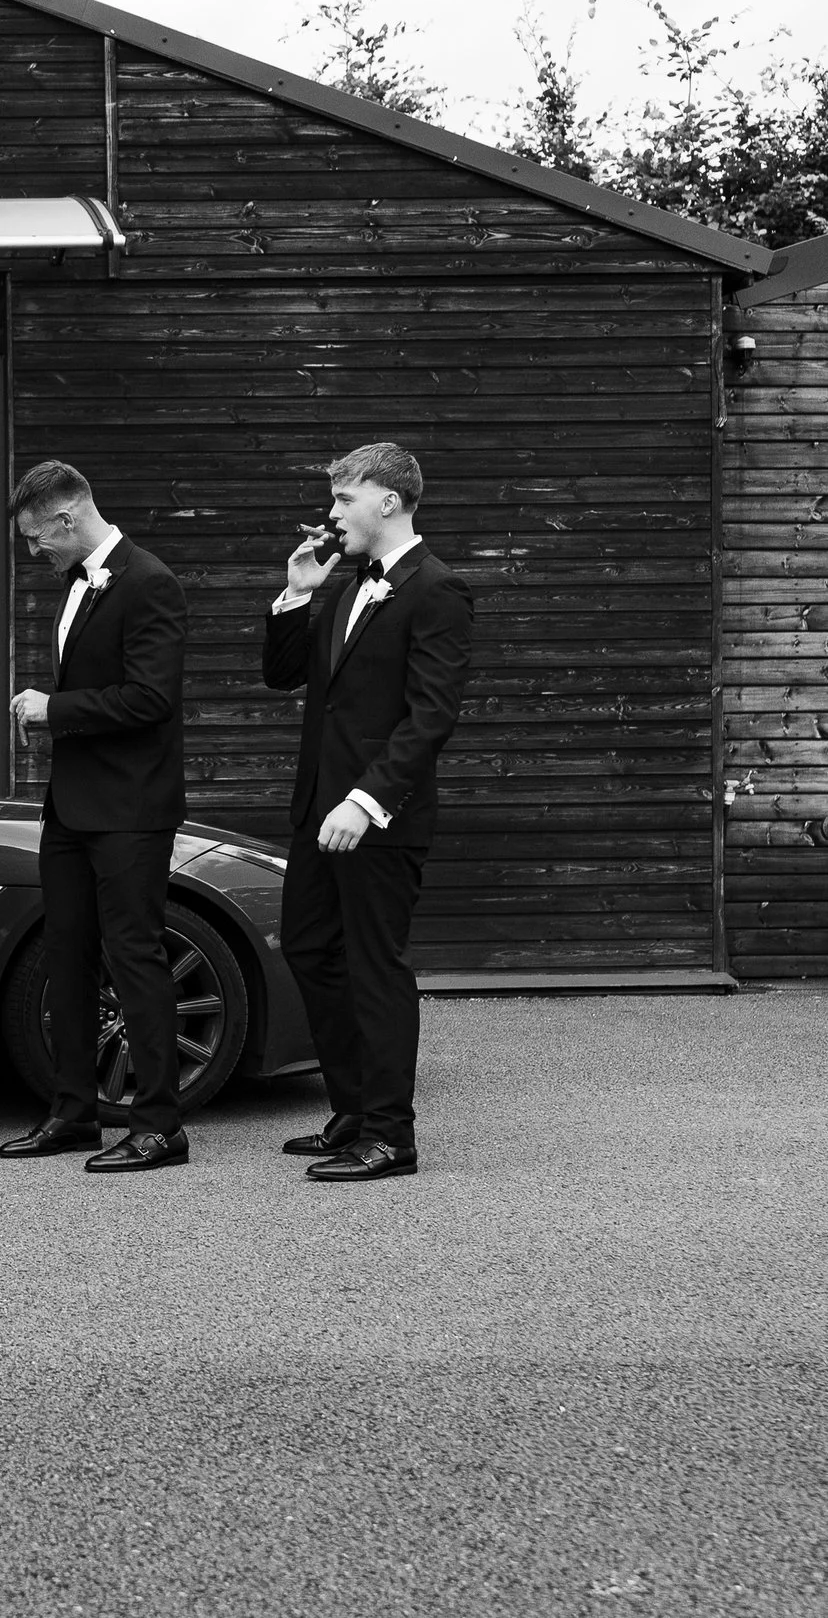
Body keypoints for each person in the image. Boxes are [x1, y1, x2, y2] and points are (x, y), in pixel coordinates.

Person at [263, 443, 475, 1182]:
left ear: (388, 501)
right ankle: (352, 1112)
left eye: (344, 498)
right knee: (309, 950)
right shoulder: (346, 587)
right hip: (317, 812)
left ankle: (390, 1137)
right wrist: (297, 595)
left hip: (378, 818)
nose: (331, 513)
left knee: (375, 968)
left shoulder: (438, 589)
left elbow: (431, 716)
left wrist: (367, 800)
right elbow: (282, 676)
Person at [2, 462, 193, 1172]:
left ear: (68, 516)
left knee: (135, 958)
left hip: (131, 809)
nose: (33, 551)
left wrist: (55, 709)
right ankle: (73, 1113)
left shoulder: (149, 581)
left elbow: (151, 699)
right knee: (68, 958)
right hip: (72, 807)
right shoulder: (77, 583)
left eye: (36, 536)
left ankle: (160, 1126)